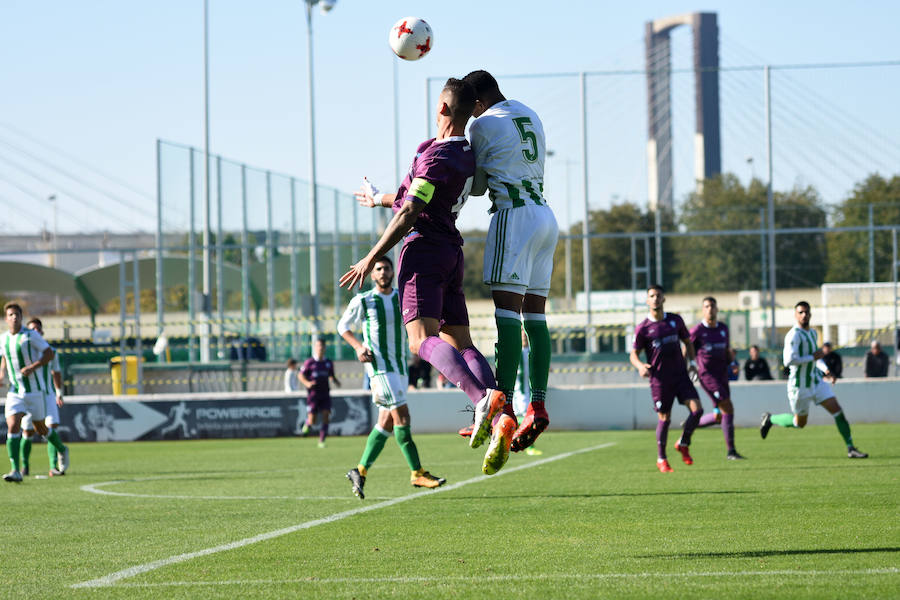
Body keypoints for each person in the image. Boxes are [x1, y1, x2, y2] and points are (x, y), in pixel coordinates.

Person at [340, 78, 507, 475]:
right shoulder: (458, 153)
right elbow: (406, 198)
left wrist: (371, 256)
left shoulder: (435, 159)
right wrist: (378, 197)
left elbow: (409, 212)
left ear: (444, 109)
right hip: (450, 251)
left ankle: (481, 399)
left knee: (421, 342)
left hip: (424, 250)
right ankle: (499, 412)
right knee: (461, 341)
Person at [463, 69, 558, 459]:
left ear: (478, 103)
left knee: (506, 316)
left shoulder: (482, 124)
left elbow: (480, 186)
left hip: (513, 217)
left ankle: (502, 409)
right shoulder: (529, 113)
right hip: (545, 217)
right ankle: (537, 402)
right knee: (536, 319)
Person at [338, 256, 446, 499]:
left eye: (387, 268)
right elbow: (342, 326)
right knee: (403, 415)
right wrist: (357, 347)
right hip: (379, 368)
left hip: (399, 367)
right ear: (372, 275)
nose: (383, 272)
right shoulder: (363, 300)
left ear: (392, 271)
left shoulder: (401, 297)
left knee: (386, 422)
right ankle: (417, 471)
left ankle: (360, 470)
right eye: (378, 269)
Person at [760, 301, 868, 458]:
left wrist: (826, 370)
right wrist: (812, 357)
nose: (804, 315)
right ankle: (771, 419)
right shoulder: (794, 335)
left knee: (838, 411)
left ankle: (851, 448)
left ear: (810, 314)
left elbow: (816, 357)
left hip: (816, 382)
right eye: (801, 312)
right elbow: (788, 361)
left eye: (806, 312)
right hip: (799, 386)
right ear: (795, 315)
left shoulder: (813, 333)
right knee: (799, 423)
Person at [629, 285, 702, 473]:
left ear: (664, 299)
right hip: (659, 380)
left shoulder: (675, 320)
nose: (655, 299)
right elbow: (633, 354)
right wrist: (640, 366)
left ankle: (683, 442)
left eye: (658, 295)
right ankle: (661, 458)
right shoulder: (643, 328)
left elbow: (688, 342)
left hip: (681, 375)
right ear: (647, 301)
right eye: (651, 296)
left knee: (697, 410)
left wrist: (693, 363)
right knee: (665, 417)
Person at [0, 303, 66, 482]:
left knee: (41, 429)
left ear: (21, 317)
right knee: (14, 426)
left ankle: (61, 448)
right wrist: (1, 374)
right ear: (6, 318)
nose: (14, 317)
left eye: (17, 314)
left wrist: (32, 367)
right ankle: (16, 470)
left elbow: (49, 354)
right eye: (11, 315)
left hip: (36, 391)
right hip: (15, 391)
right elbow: (4, 357)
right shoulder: (3, 339)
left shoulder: (31, 336)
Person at [688, 297, 744, 460]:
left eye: (712, 306)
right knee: (728, 407)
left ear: (717, 309)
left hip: (722, 374)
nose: (710, 309)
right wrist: (689, 367)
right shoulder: (697, 331)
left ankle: (690, 424)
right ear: (702, 310)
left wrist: (731, 361)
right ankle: (731, 451)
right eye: (706, 306)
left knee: (720, 415)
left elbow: (726, 350)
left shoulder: (723, 329)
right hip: (707, 376)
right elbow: (687, 349)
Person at [21, 318, 67, 476]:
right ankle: (24, 467)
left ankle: (53, 466)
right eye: (32, 329)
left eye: (38, 329)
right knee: (27, 431)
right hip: (29, 394)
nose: (35, 332)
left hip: (47, 394)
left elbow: (56, 372)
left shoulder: (51, 352)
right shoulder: (23, 351)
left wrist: (59, 392)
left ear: (42, 332)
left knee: (51, 426)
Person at [298, 338, 340, 448]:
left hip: (325, 393)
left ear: (325, 348)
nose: (320, 348)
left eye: (322, 346)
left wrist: (334, 380)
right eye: (318, 346)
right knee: (313, 420)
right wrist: (307, 383)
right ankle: (307, 424)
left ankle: (322, 440)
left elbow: (331, 374)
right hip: (313, 394)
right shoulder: (310, 362)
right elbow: (300, 375)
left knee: (326, 416)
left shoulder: (328, 362)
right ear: (315, 348)